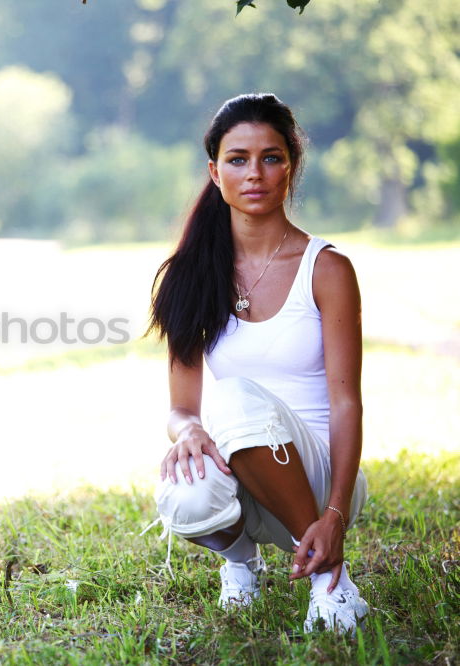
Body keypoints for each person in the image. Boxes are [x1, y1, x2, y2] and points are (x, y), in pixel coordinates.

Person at [145, 93, 370, 634]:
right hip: (241, 469)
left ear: (290, 166)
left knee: (233, 397)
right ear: (214, 170)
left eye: (271, 157)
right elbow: (180, 407)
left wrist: (335, 514)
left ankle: (330, 578)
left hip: (319, 478)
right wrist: (190, 432)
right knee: (184, 492)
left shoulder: (327, 268)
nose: (255, 173)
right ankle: (242, 562)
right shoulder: (189, 274)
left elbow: (347, 403)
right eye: (237, 159)